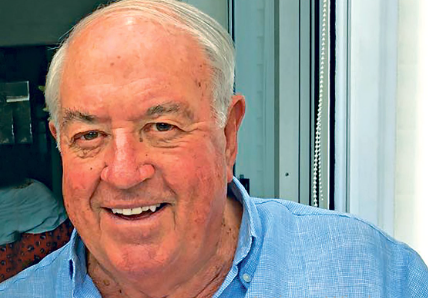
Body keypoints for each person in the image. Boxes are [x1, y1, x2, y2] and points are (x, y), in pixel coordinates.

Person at [0, 0, 427, 297]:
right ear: (60, 145)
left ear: (228, 135)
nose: (124, 173)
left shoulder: (373, 275)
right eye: (90, 136)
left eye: (161, 126)